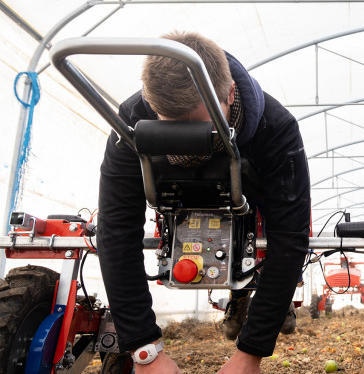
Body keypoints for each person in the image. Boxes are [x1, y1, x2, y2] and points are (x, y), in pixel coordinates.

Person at [97, 31, 311, 373]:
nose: (187, 146)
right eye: (171, 129)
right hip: (174, 195)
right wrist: (144, 349)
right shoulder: (130, 119)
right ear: (152, 106)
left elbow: (290, 237)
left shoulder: (276, 128)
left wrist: (250, 353)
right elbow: (116, 230)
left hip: (250, 198)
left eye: (197, 128)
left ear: (228, 94)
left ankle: (251, 299)